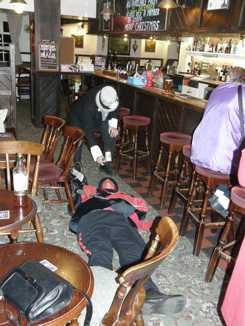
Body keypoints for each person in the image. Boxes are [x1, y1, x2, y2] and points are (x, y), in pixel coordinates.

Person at [70, 177, 186, 322]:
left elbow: (138, 219)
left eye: (111, 182)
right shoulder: (90, 195)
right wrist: (85, 188)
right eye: (104, 182)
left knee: (134, 252)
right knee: (101, 252)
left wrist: (152, 224)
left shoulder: (124, 198)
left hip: (119, 220)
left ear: (117, 188)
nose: (107, 181)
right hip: (93, 218)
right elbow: (76, 195)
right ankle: (100, 295)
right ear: (98, 187)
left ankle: (149, 293)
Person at [191, 66, 245, 176]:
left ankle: (219, 191)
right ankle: (224, 191)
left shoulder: (218, 89)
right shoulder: (242, 92)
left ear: (230, 77)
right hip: (222, 159)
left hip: (198, 150)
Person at [68, 84, 119, 175]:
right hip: (78, 116)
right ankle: (77, 165)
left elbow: (115, 109)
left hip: (100, 116)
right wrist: (97, 154)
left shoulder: (111, 93)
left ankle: (106, 164)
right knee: (78, 139)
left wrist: (113, 126)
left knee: (110, 135)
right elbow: (88, 131)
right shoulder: (89, 106)